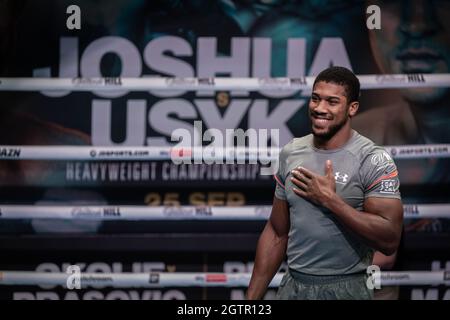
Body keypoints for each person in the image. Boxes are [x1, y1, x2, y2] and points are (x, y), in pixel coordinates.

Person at [246, 66, 404, 300]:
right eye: (315, 99)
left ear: (352, 108)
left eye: (332, 102)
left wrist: (330, 200)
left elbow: (389, 240)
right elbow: (277, 232)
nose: (319, 108)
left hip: (348, 288)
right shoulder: (291, 152)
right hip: (294, 287)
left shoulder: (373, 159)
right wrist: (251, 300)